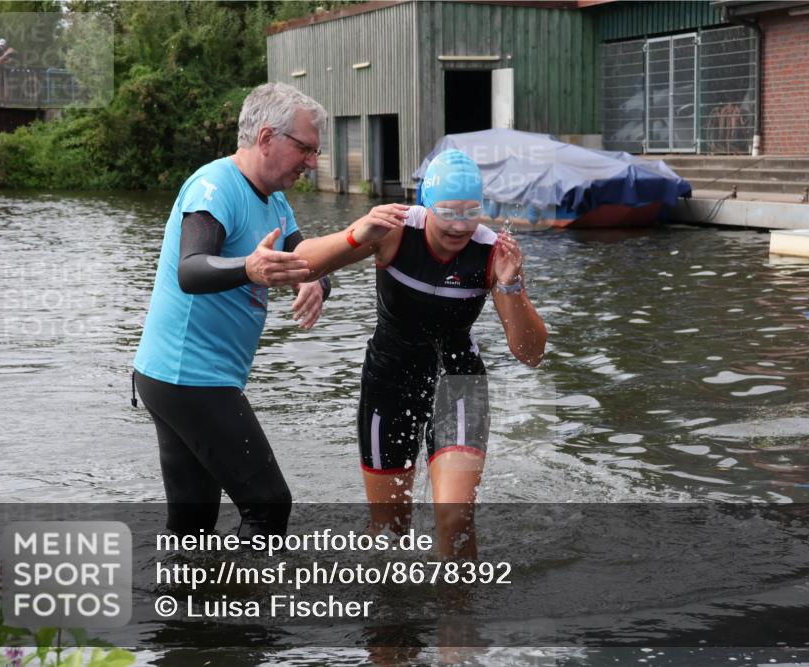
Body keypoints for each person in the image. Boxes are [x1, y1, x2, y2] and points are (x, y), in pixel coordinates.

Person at [297, 149, 547, 557]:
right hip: (389, 380)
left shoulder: (490, 252)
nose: (459, 226)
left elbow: (530, 354)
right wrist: (356, 233)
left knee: (455, 519)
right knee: (389, 529)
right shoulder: (394, 230)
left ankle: (457, 619)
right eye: (448, 212)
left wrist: (511, 286)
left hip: (458, 382)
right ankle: (393, 618)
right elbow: (301, 264)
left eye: (471, 212)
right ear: (426, 205)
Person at [133, 82, 330, 537]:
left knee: (193, 526)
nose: (313, 163)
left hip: (174, 376)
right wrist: (249, 267)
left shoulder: (276, 201)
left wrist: (318, 281)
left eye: (315, 152)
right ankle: (247, 605)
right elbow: (192, 268)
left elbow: (310, 257)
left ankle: (186, 605)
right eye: (305, 149)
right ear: (266, 139)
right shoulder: (214, 186)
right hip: (188, 377)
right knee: (269, 505)